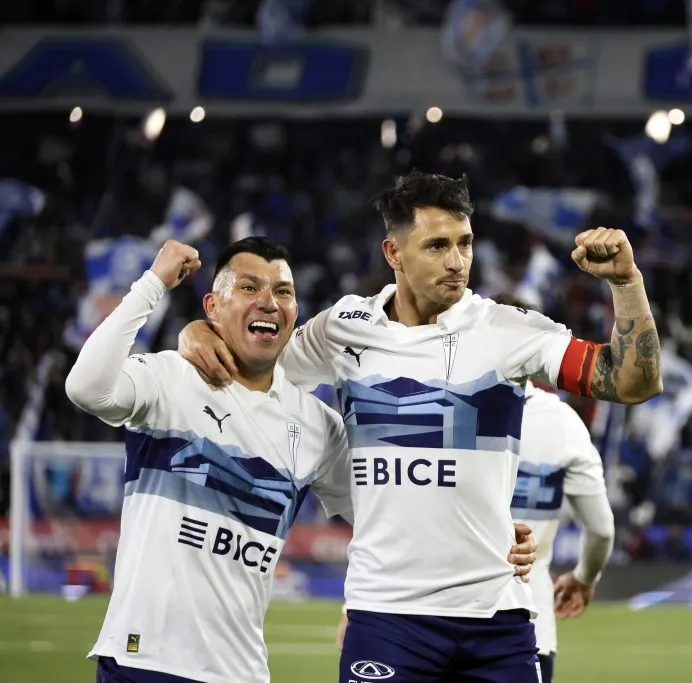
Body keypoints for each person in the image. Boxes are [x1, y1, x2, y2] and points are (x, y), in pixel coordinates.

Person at [179, 171, 662, 682]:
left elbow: (633, 382)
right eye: (436, 246)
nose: (457, 262)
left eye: (465, 244)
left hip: (497, 615)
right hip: (387, 614)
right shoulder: (343, 328)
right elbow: (251, 359)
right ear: (394, 253)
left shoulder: (505, 330)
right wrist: (195, 330)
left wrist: (626, 283)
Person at [65, 237, 354, 683]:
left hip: (240, 672)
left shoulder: (318, 426)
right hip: (143, 662)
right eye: (249, 287)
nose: (269, 303)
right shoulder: (171, 377)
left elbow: (382, 515)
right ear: (213, 307)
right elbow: (86, 388)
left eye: (283, 291)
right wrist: (154, 283)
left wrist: (362, 600)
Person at [496, 293, 616, 683]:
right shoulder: (562, 422)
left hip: (436, 619)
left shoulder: (438, 408)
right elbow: (600, 529)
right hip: (529, 622)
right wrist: (585, 577)